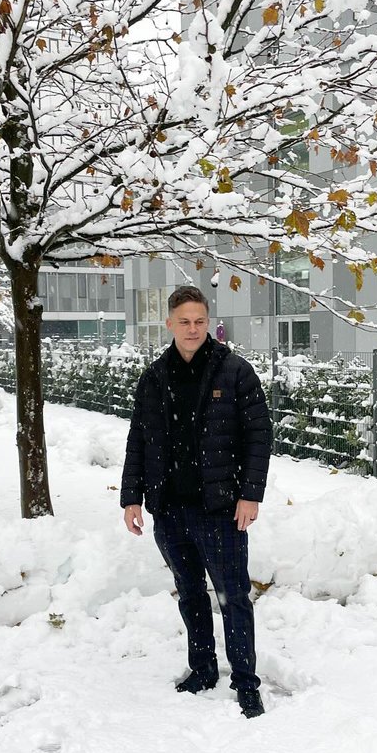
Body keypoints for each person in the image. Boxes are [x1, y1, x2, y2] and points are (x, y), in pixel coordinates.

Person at [121, 286, 272, 718]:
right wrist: (132, 497)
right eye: (184, 321)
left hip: (221, 509)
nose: (192, 329)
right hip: (168, 508)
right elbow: (138, 441)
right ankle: (203, 669)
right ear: (169, 323)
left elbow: (259, 437)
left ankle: (246, 683)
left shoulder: (235, 372)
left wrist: (250, 495)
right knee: (190, 594)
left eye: (200, 321)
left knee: (233, 597)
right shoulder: (154, 377)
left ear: (209, 323)